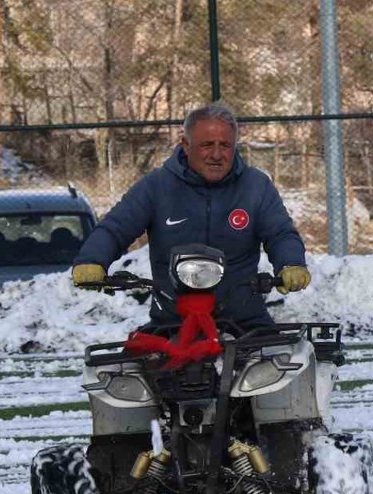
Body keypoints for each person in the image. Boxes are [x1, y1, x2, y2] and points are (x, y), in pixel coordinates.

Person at [72, 101, 310, 329]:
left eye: (225, 145)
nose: (216, 155)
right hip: (172, 321)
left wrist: (291, 263)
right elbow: (115, 228)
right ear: (185, 145)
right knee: (125, 369)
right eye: (207, 145)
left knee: (284, 366)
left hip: (244, 320)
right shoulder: (157, 186)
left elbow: (280, 233)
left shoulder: (256, 186)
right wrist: (92, 260)